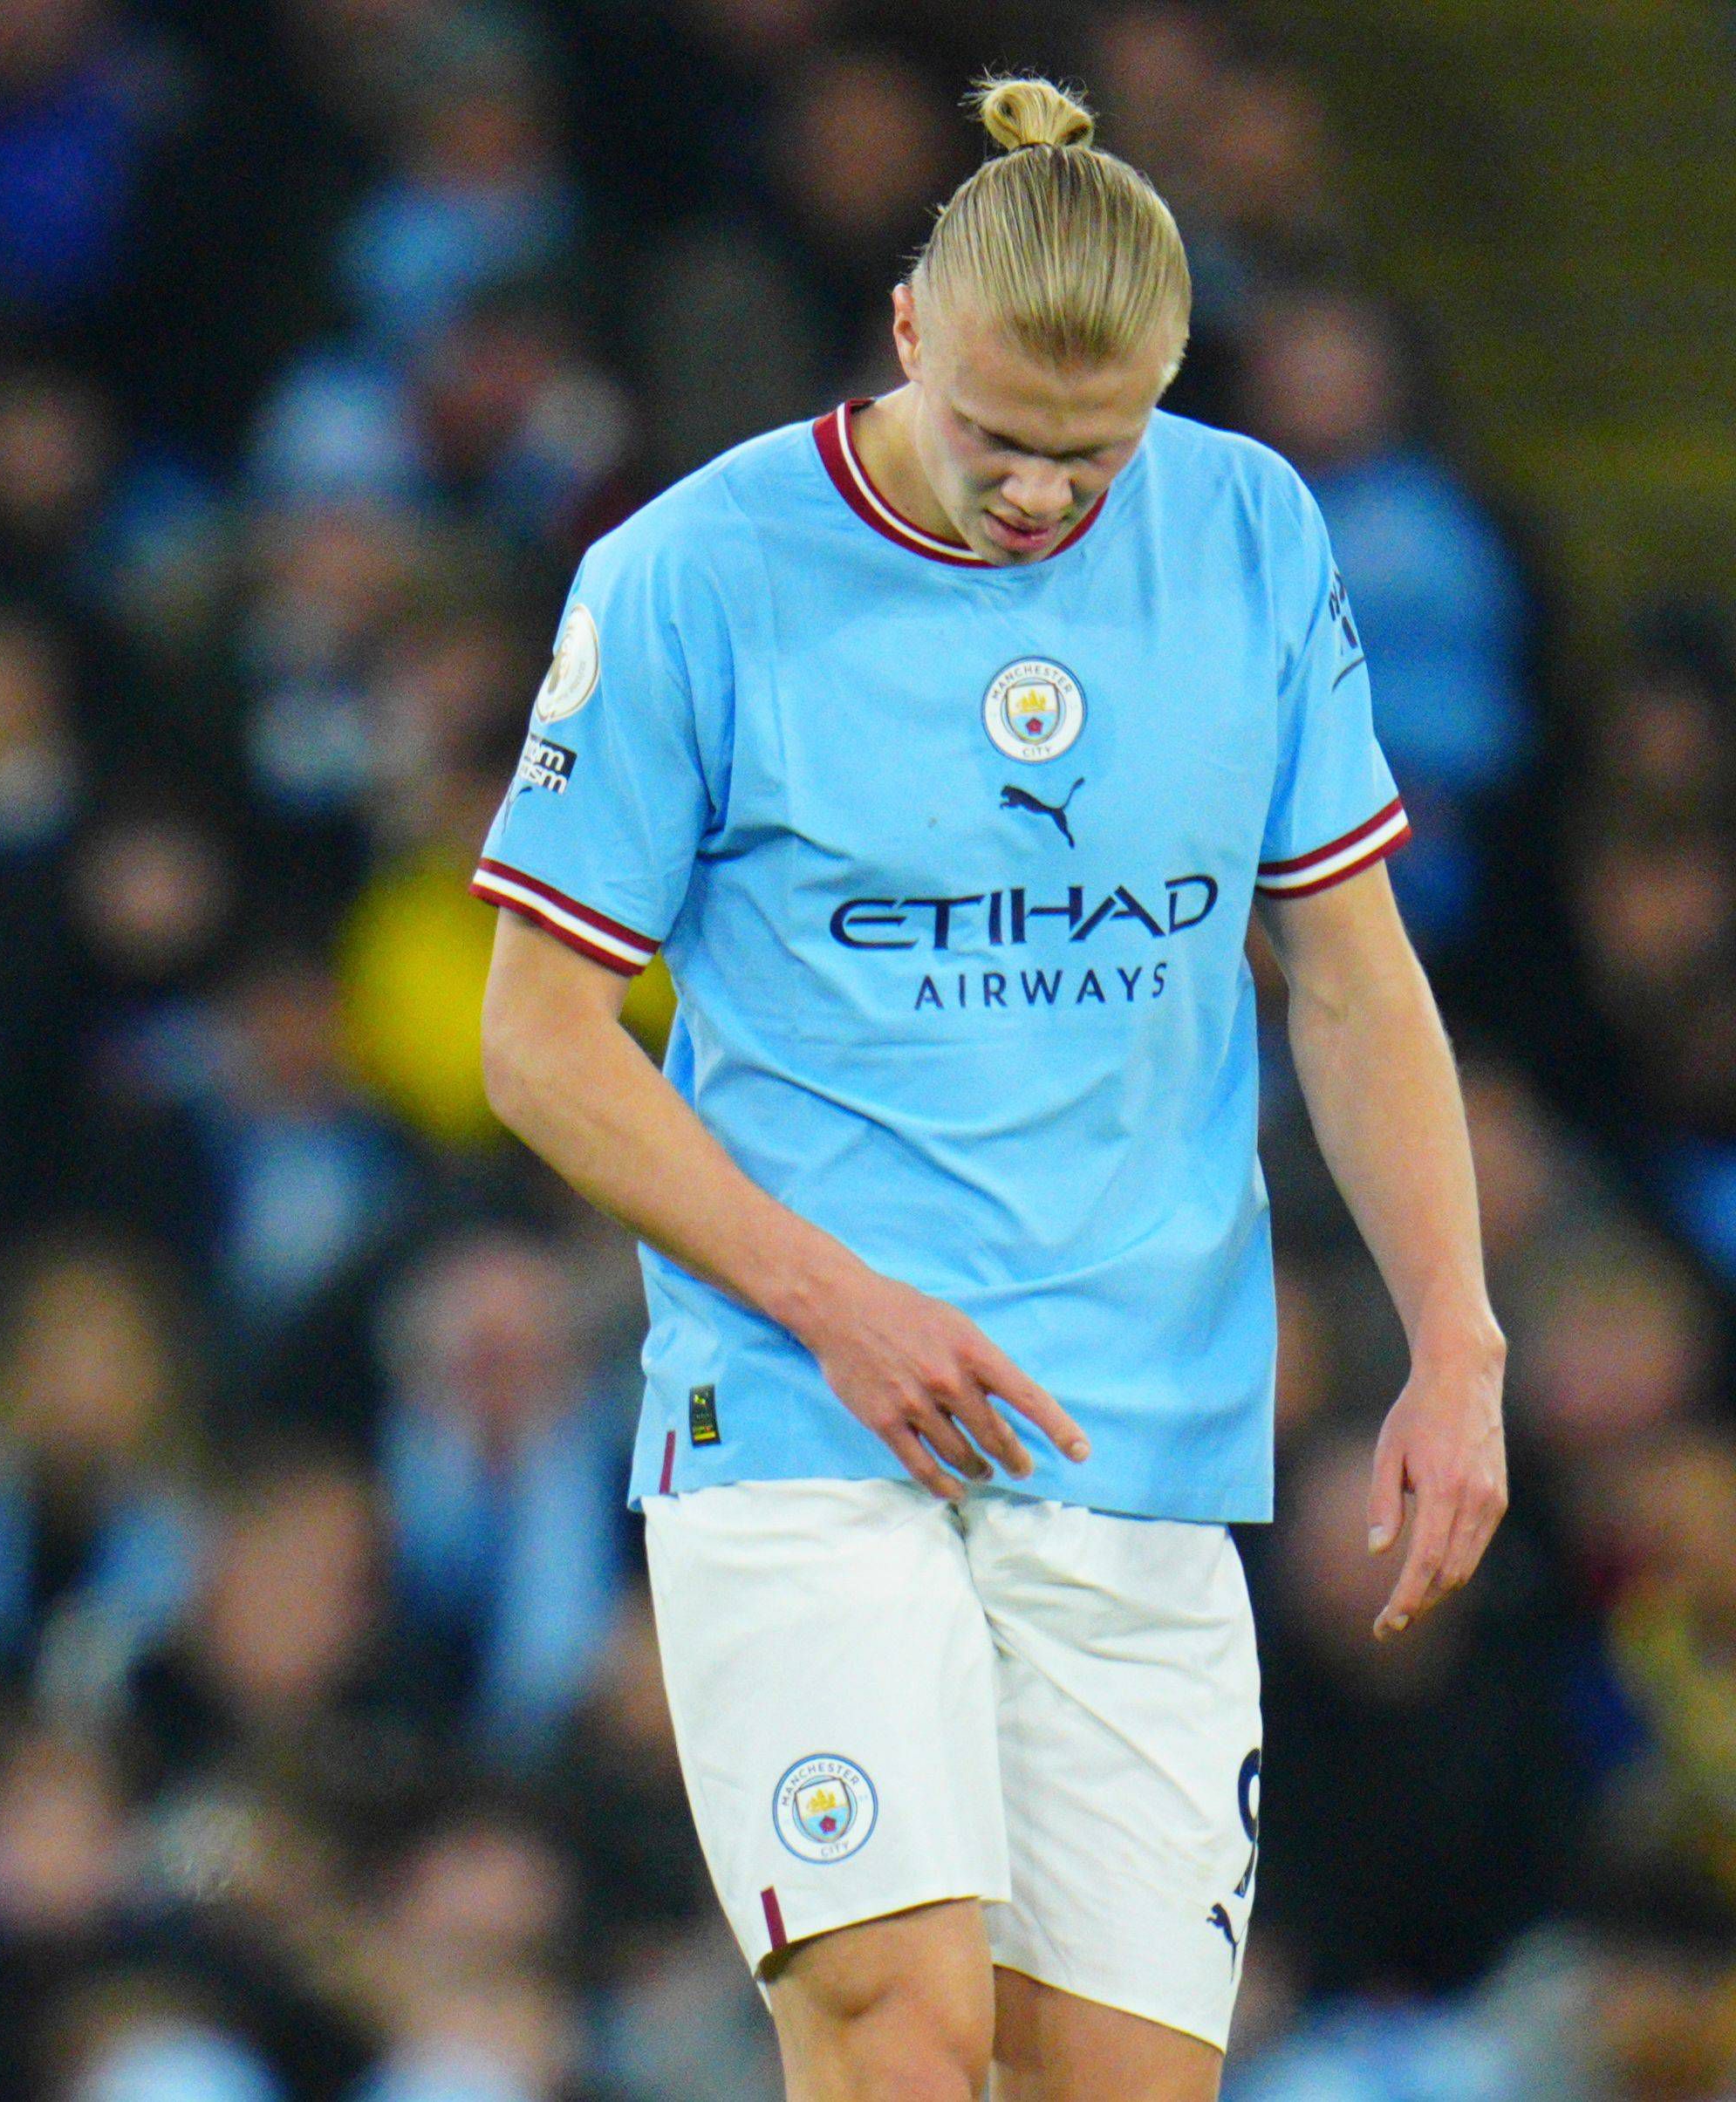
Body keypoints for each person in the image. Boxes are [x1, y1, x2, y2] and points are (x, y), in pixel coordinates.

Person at [474, 78, 1503, 2102]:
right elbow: (535, 1033)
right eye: (996, 442)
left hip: (1134, 1419)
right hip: (802, 1416)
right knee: (895, 2035)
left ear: (1168, 390)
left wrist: (1453, 1335)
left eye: (1088, 454)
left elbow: (1349, 974)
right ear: (903, 332)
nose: (1036, 497)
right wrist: (828, 1302)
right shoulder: (691, 574)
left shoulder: (1245, 534)